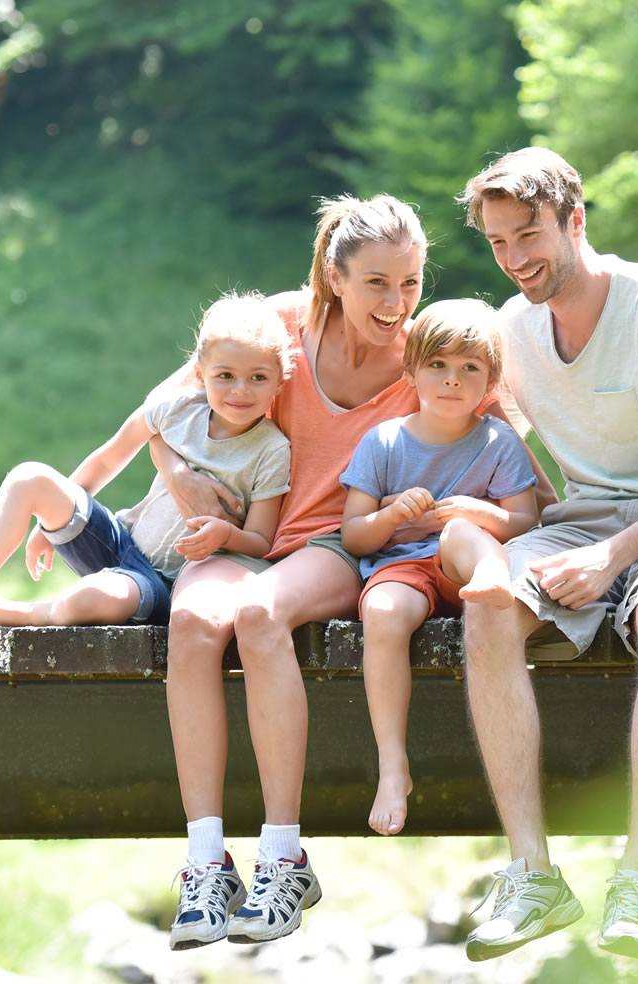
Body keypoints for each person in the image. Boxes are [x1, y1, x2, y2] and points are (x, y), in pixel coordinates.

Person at [149, 196, 545, 951]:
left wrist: (566, 544)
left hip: (336, 547)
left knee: (260, 615)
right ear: (335, 277)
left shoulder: (433, 354)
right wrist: (175, 486)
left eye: (411, 283)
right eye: (376, 284)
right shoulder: (281, 325)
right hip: (243, 535)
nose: (397, 305)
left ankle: (283, 856)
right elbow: (161, 414)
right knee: (194, 622)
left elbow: (518, 470)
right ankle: (205, 863)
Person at [455, 147, 638, 962]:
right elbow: (466, 418)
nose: (515, 259)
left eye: (530, 235)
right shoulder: (512, 332)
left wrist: (615, 556)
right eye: (497, 243)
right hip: (582, 522)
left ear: (575, 221)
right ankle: (532, 877)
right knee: (485, 605)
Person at [0, 292, 292, 633]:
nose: (240, 390)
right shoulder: (176, 409)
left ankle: (27, 613)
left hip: (165, 585)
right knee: (30, 478)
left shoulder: (271, 450)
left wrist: (225, 535)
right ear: (200, 373)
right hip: (120, 542)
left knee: (95, 598)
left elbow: (260, 542)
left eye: (258, 378)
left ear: (280, 379)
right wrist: (56, 517)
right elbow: (108, 458)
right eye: (225, 375)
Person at [339, 298, 541, 837]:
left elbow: (526, 521)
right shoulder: (384, 442)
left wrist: (482, 512)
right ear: (412, 370)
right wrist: (388, 515)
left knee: (457, 530)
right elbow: (353, 534)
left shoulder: (499, 442)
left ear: (490, 381)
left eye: (469, 369)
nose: (453, 380)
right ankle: (392, 764)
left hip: (467, 566)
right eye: (438, 366)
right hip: (403, 569)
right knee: (381, 612)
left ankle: (495, 576)